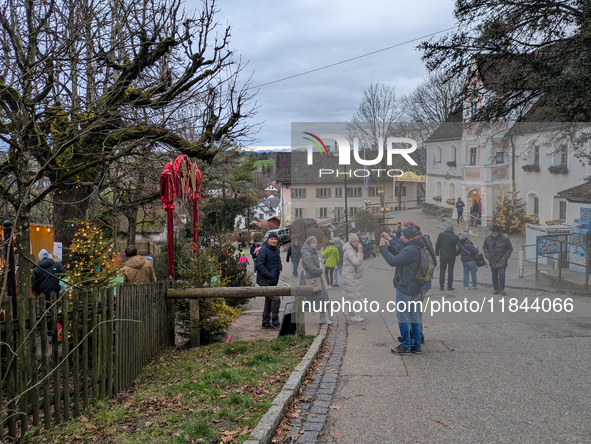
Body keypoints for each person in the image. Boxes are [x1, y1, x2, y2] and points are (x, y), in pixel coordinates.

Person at [379, 224, 423, 355]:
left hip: (405, 287)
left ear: (408, 237)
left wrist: (382, 247)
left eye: (402, 234)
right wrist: (389, 246)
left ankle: (405, 346)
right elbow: (401, 256)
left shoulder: (411, 250)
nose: (400, 236)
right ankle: (416, 345)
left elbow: (393, 261)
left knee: (402, 316)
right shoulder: (416, 247)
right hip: (414, 286)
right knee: (414, 316)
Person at [300, 236, 332, 324]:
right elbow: (312, 268)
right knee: (307, 300)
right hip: (311, 280)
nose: (315, 244)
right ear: (309, 244)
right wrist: (320, 270)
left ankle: (323, 317)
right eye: (313, 243)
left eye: (316, 242)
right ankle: (298, 318)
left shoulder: (312, 252)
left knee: (322, 298)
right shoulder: (307, 253)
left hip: (316, 279)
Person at [256, 232, 283, 329]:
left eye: (275, 239)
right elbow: (259, 265)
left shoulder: (276, 249)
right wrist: (269, 275)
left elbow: (278, 260)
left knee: (268, 301)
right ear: (268, 240)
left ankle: (265, 322)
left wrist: (280, 267)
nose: (274, 240)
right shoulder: (264, 250)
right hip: (265, 281)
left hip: (272, 281)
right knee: (276, 299)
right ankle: (275, 322)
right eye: (272, 239)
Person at [482, 225, 513, 296]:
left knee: (502, 274)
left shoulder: (504, 239)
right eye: (492, 231)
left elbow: (510, 248)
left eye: (494, 232)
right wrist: (488, 256)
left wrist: (505, 257)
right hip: (492, 260)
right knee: (494, 275)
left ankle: (501, 288)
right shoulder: (488, 238)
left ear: (498, 232)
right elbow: (485, 247)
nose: (492, 233)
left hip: (501, 260)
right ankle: (495, 288)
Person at [341, 233, 364, 322]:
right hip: (350, 277)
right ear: (350, 242)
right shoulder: (349, 251)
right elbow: (356, 262)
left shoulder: (353, 249)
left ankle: (351, 312)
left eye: (357, 241)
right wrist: (360, 252)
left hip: (354, 276)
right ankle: (353, 315)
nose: (356, 243)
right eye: (354, 241)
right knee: (353, 297)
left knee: (352, 296)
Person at [435, 225, 462, 291]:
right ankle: (449, 286)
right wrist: (457, 253)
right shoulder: (455, 237)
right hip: (452, 256)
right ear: (452, 230)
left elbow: (437, 245)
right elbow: (460, 247)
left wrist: (437, 254)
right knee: (450, 271)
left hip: (443, 255)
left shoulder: (441, 235)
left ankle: (441, 286)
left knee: (442, 271)